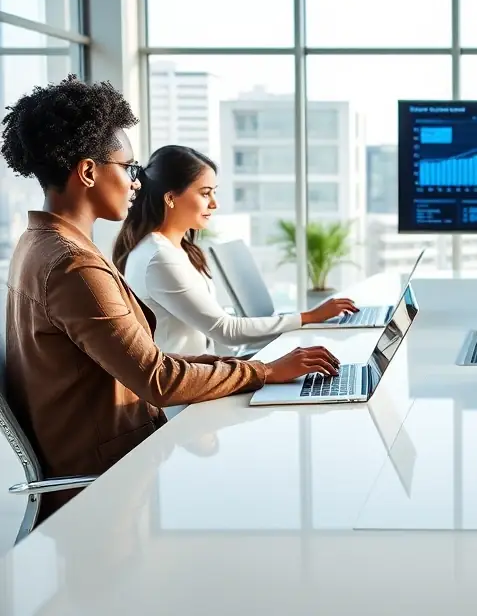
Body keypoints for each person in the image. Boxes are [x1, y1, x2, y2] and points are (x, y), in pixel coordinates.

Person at [0, 76, 341, 521]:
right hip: (113, 478)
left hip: (114, 455)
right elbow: (158, 380)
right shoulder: (72, 265)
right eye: (128, 167)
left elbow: (147, 360)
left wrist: (248, 369)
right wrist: (263, 371)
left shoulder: (38, 243)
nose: (135, 182)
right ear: (88, 172)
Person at [113, 145, 358, 357]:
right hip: (183, 400)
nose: (214, 203)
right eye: (205, 193)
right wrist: (308, 317)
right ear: (171, 198)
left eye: (214, 192)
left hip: (201, 376)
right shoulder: (159, 258)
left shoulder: (176, 249)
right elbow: (225, 330)